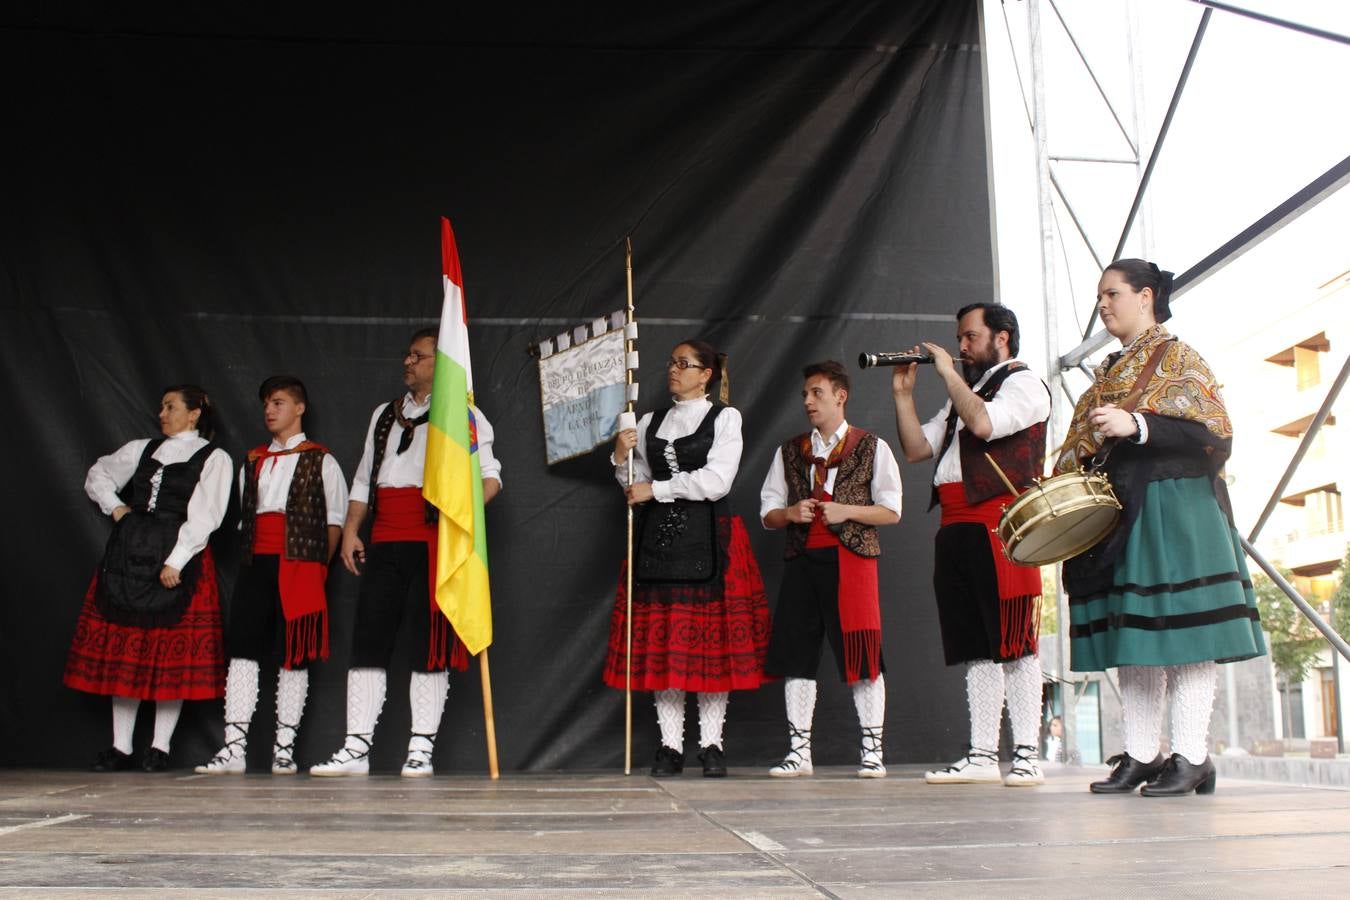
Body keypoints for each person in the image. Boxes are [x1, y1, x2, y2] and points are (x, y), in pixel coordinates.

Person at [1056, 259, 1265, 796]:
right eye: (1099, 295)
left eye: (1112, 294)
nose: (1102, 305)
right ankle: (1145, 754)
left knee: (1188, 632)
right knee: (1135, 637)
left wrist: (1140, 424)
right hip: (1122, 511)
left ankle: (1193, 755)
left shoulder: (1180, 357)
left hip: (1176, 505)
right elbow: (1075, 448)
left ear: (1145, 296)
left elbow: (1217, 435)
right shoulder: (1108, 373)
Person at [311, 328, 501, 777]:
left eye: (418, 356)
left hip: (433, 537)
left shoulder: (464, 413)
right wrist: (354, 528)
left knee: (427, 645)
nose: (408, 362)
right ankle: (355, 749)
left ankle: (421, 750)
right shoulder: (384, 414)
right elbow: (364, 478)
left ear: (442, 363)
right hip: (385, 536)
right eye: (408, 355)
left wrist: (460, 515)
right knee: (368, 640)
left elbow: (490, 478)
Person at [890, 302, 1051, 787]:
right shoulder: (969, 392)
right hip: (956, 524)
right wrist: (902, 394)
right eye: (958, 339)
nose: (961, 347)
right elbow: (918, 449)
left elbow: (984, 424)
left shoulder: (1023, 382)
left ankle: (1027, 752)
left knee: (1017, 644)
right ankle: (982, 753)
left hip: (1001, 524)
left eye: (970, 337)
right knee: (977, 647)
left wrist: (945, 374)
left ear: (1002, 337)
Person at [606, 341, 771, 777]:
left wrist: (656, 490)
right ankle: (669, 745)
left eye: (684, 364)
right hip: (658, 543)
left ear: (707, 374)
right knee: (669, 644)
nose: (673, 370)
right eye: (671, 362)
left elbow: (717, 481)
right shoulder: (647, 422)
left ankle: (712, 744)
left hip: (711, 538)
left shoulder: (725, 418)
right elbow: (634, 483)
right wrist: (621, 459)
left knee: (709, 647)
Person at [64, 385, 231, 772]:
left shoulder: (213, 457)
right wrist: (118, 507)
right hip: (129, 556)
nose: (162, 413)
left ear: (193, 414)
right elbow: (99, 475)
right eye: (161, 406)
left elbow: (208, 514)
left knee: (167, 655)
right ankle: (120, 746)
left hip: (178, 558)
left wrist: (177, 560)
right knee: (128, 651)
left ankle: (160, 747)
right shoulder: (143, 448)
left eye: (170, 406)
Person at [196, 376, 348, 775]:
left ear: (299, 408)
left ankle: (285, 747)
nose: (269, 409)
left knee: (292, 655)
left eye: (278, 402)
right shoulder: (254, 460)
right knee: (243, 651)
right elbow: (248, 521)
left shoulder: (322, 460)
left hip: (300, 564)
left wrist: (319, 569)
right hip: (256, 564)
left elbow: (334, 521)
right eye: (266, 403)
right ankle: (234, 747)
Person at [760, 360, 902, 778]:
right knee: (798, 657)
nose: (807, 401)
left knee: (863, 655)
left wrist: (846, 510)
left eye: (816, 393)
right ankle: (799, 752)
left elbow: (892, 510)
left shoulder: (871, 446)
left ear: (840, 396)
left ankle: (872, 751)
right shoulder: (789, 451)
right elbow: (767, 513)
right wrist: (789, 513)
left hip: (852, 560)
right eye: (805, 394)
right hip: (802, 560)